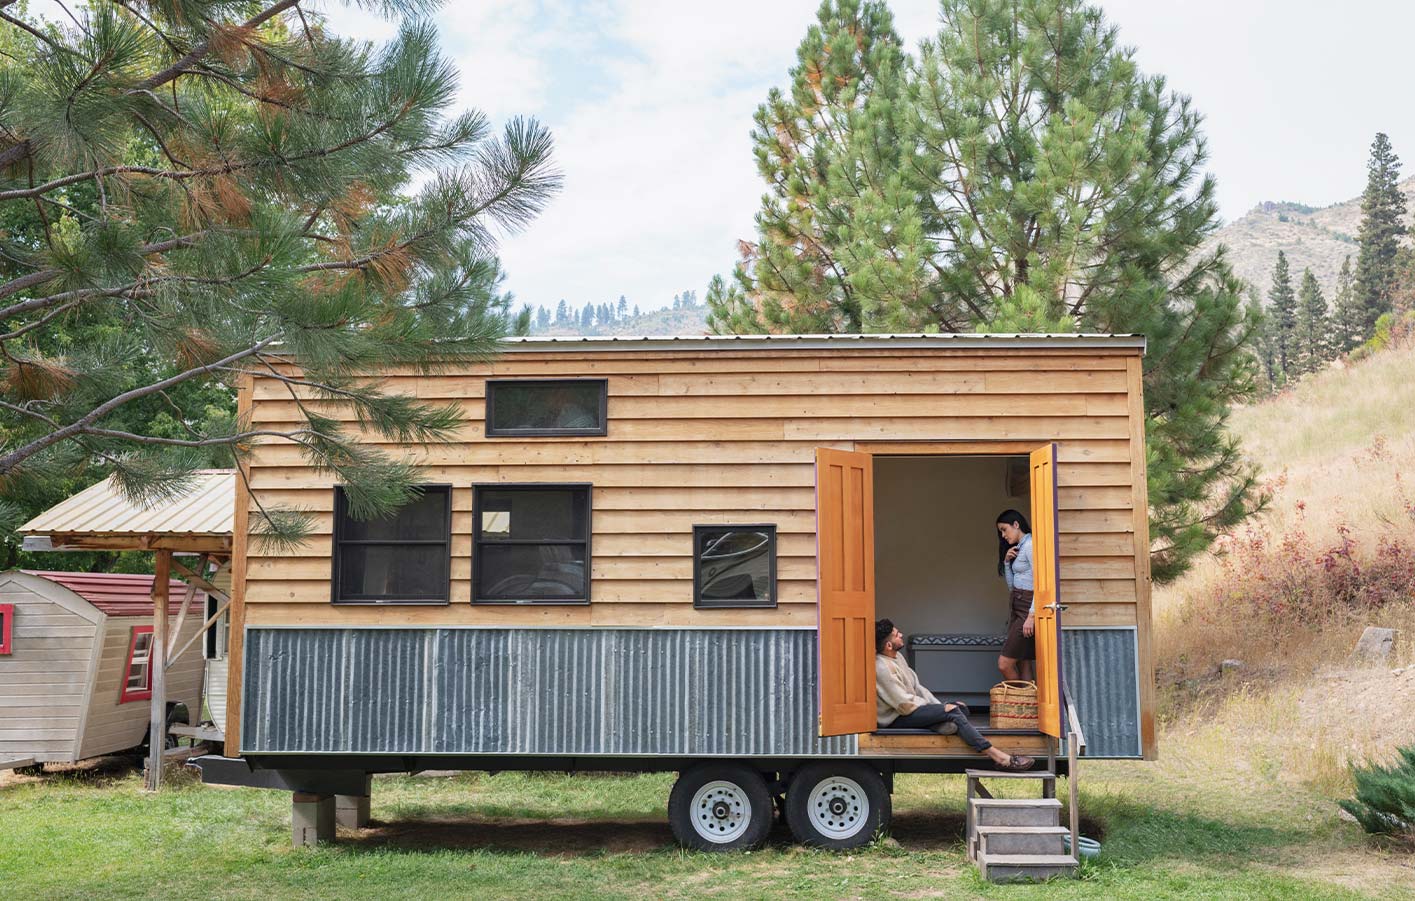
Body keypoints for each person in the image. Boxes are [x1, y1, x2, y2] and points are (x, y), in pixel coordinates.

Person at [875, 619, 1034, 771]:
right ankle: (999, 757)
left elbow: (918, 688)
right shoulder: (882, 667)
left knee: (961, 708)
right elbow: (904, 704)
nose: (901, 635)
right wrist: (940, 710)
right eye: (897, 635)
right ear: (889, 645)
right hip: (897, 718)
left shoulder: (897, 657)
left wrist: (939, 708)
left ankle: (942, 724)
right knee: (953, 712)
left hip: (912, 708)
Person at [995, 509, 1035, 682]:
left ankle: (1018, 698)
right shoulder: (1018, 548)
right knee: (1023, 661)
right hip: (1017, 606)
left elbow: (1040, 583)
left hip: (1027, 608)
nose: (1003, 535)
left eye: (1004, 529)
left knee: (1004, 664)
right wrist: (1006, 562)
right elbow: (1012, 587)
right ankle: (1028, 699)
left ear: (1016, 524)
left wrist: (1031, 616)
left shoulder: (1030, 545)